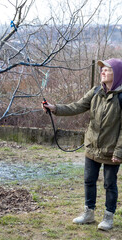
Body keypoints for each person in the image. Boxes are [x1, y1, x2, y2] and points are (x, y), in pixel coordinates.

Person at [42, 58, 122, 231]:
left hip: (111, 150)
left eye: (106, 70)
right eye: (101, 70)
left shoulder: (121, 97)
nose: (102, 72)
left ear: (117, 74)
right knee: (89, 180)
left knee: (109, 184)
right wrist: (55, 108)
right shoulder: (95, 92)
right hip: (92, 146)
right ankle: (89, 214)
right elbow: (76, 106)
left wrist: (119, 151)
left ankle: (108, 217)